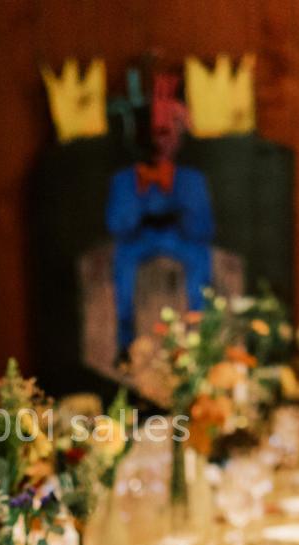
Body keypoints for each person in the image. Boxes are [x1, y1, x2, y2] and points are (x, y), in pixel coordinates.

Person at [106, 73, 215, 357]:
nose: (158, 144)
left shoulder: (191, 180)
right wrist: (140, 210)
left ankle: (199, 343)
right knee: (123, 269)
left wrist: (180, 211)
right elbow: (117, 224)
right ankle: (125, 344)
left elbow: (203, 227)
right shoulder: (124, 181)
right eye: (152, 136)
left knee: (200, 264)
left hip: (181, 240)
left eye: (165, 134)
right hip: (137, 242)